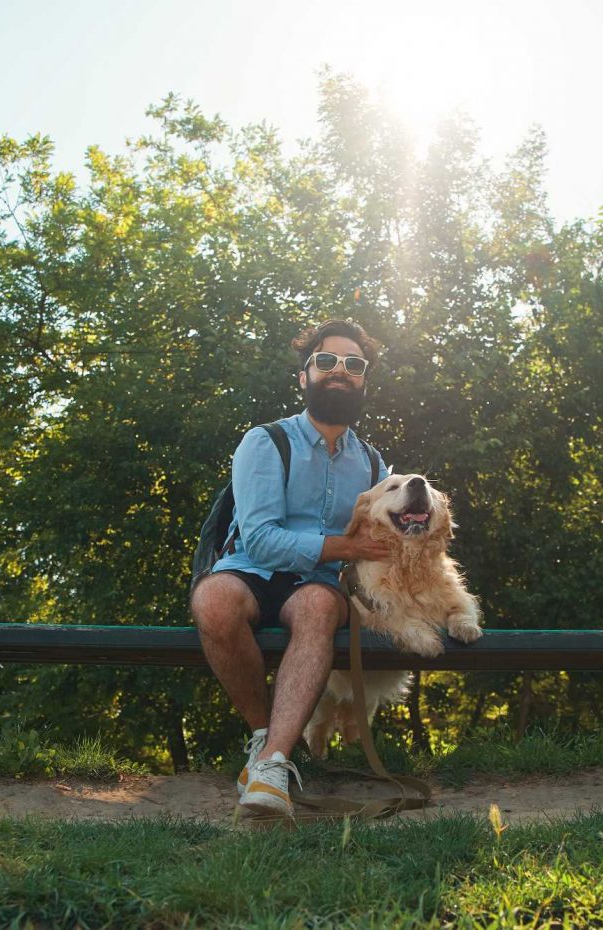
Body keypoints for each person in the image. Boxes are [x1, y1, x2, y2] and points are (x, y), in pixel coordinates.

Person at [190, 319, 391, 817]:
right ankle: (266, 746)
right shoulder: (265, 441)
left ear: (364, 381)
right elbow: (259, 539)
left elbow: (385, 540)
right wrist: (344, 546)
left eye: (353, 364)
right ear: (304, 377)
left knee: (321, 605)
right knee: (212, 600)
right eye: (326, 361)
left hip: (319, 586)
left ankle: (274, 766)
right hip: (251, 572)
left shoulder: (373, 464)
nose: (339, 371)